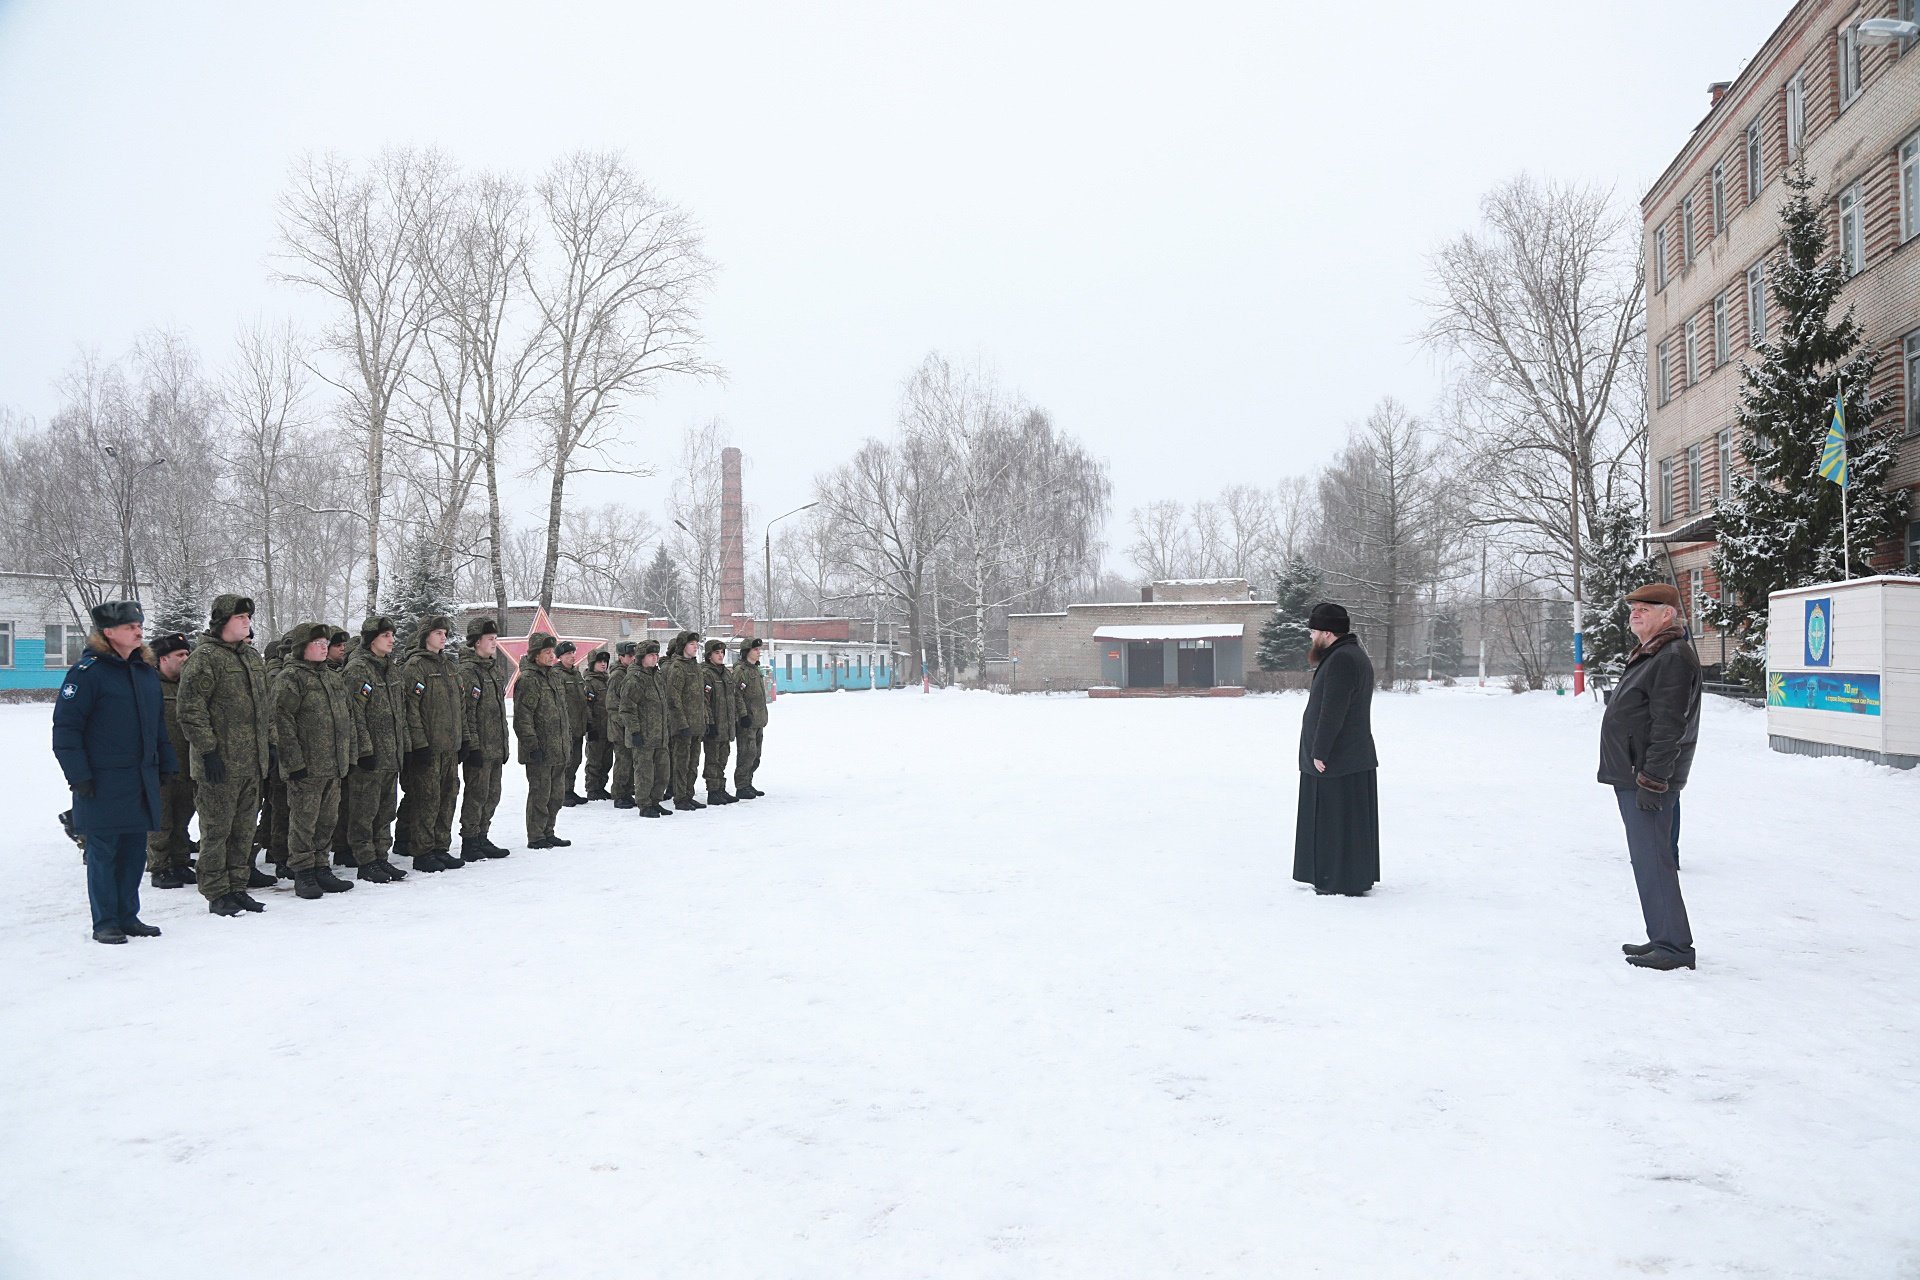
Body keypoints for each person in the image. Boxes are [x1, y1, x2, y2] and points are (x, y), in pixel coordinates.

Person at [51, 601, 178, 944]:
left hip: (140, 778)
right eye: (130, 626)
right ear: (109, 633)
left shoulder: (143, 671)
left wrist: (167, 763)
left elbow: (157, 726)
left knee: (135, 852)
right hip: (102, 780)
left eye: (139, 624)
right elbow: (66, 729)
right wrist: (78, 775)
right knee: (103, 853)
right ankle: (105, 921)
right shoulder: (87, 673)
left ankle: (128, 915)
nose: (139, 630)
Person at [1600, 582, 1702, 972]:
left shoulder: (1673, 656)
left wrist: (1653, 781)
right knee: (1646, 860)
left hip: (1647, 778)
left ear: (1668, 614)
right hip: (1635, 773)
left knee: (1654, 860)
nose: (1636, 613)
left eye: (1647, 607)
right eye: (1634, 608)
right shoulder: (1652, 653)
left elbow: (1668, 726)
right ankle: (1663, 935)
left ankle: (1674, 947)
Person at [178, 594, 275, 916]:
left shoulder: (249, 657)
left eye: (249, 617)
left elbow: (265, 708)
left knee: (244, 830)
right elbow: (191, 710)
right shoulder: (205, 658)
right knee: (217, 832)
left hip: (251, 762)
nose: (247, 622)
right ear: (222, 621)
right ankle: (217, 891)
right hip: (220, 765)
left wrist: (269, 747)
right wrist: (208, 751)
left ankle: (237, 885)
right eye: (240, 618)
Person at [1292, 602, 1380, 897]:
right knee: (1345, 821)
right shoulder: (1348, 655)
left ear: (1327, 633)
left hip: (1338, 759)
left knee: (1334, 820)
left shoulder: (1342, 659)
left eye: (1313, 631)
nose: (1310, 637)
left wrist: (1320, 752)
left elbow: (1334, 711)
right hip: (1349, 757)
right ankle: (1346, 877)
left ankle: (1337, 879)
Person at [274, 621, 363, 900]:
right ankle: (303, 872)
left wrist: (348, 755)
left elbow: (347, 718)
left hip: (333, 764)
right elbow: (280, 722)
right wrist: (293, 762)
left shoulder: (332, 677)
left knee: (327, 821)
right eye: (318, 643)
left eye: (326, 643)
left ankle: (322, 866)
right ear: (302, 648)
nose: (325, 647)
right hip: (306, 767)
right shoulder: (290, 679)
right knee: (304, 821)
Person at [340, 615, 411, 882]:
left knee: (385, 810)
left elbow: (399, 712)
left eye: (393, 634)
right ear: (372, 640)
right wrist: (364, 750)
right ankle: (365, 860)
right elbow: (353, 714)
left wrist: (405, 747)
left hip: (391, 754)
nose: (392, 640)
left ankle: (381, 855)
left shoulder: (391, 669)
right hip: (370, 757)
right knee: (364, 811)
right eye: (386, 636)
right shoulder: (357, 670)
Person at [398, 615, 465, 872]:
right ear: (426, 635)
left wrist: (464, 739)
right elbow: (411, 709)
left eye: (445, 633)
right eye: (438, 633)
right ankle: (423, 851)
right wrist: (419, 744)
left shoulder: (449, 666)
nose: (443, 637)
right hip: (429, 746)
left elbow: (461, 706)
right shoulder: (415, 667)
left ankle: (440, 846)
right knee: (427, 799)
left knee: (448, 796)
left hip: (450, 746)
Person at [145, 631, 198, 889]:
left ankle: (180, 861)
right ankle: (159, 867)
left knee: (183, 817)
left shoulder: (189, 686)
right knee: (161, 820)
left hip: (188, 764)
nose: (185, 659)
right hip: (160, 766)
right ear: (162, 659)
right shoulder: (148, 685)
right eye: (179, 655)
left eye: (187, 653)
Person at [456, 616, 512, 861]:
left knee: (492, 794)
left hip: (495, 745)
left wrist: (504, 744)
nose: (494, 643)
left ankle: (482, 835)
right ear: (476, 642)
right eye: (490, 639)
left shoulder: (493, 670)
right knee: (476, 794)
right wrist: (473, 745)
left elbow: (498, 711)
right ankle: (470, 839)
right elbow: (467, 712)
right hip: (480, 747)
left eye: (495, 639)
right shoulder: (468, 671)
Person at [514, 632, 572, 849]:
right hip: (540, 749)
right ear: (535, 655)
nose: (551, 656)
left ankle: (549, 831)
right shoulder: (529, 679)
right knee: (540, 794)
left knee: (556, 795)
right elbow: (523, 717)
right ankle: (536, 835)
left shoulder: (554, 676)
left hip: (558, 748)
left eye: (552, 652)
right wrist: (531, 745)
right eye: (546, 652)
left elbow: (561, 712)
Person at [619, 639, 672, 818]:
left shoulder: (656, 676)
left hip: (660, 735)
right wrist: (635, 731)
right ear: (641, 657)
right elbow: (627, 708)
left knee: (662, 772)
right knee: (644, 773)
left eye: (656, 655)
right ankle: (645, 804)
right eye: (651, 655)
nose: (655, 658)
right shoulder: (634, 679)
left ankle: (655, 801)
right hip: (643, 736)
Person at [665, 631, 706, 812]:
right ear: (683, 647)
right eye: (691, 644)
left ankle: (688, 794)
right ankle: (680, 797)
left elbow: (701, 698)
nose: (695, 646)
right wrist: (682, 724)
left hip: (697, 724)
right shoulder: (677, 668)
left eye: (696, 643)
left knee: (693, 763)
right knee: (681, 763)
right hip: (683, 726)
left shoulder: (695, 667)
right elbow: (674, 699)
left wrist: (704, 720)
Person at [699, 638, 740, 805]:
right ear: (709, 655)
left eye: (722, 652)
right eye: (717, 653)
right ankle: (713, 790)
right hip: (714, 724)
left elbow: (733, 697)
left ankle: (720, 788)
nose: (720, 656)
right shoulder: (706, 674)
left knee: (723, 757)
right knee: (712, 759)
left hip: (727, 725)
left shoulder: (726, 673)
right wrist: (709, 722)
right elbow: (704, 700)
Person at [732, 637, 769, 800]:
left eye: (759, 650)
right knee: (746, 754)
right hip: (747, 720)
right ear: (747, 651)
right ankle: (741, 785)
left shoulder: (755, 669)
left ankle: (748, 783)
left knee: (755, 755)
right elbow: (736, 694)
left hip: (758, 719)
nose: (758, 652)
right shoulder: (741, 670)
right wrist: (743, 714)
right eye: (755, 650)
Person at [555, 640, 589, 806]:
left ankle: (570, 789)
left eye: (573, 653)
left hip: (578, 726)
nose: (572, 656)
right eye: (568, 654)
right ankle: (561, 793)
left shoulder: (576, 674)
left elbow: (583, 701)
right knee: (565, 762)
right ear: (560, 657)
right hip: (566, 727)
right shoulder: (557, 675)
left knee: (576, 760)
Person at [608, 641, 639, 808]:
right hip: (619, 728)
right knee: (623, 761)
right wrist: (626, 723)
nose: (633, 658)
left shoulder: (632, 673)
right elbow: (613, 705)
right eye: (629, 656)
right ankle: (619, 793)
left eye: (635, 655)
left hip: (630, 727)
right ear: (621, 657)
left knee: (631, 760)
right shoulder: (617, 676)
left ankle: (627, 791)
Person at [583, 648, 613, 800]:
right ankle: (592, 788)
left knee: (607, 761)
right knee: (594, 760)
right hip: (596, 728)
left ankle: (601, 786)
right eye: (600, 662)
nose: (603, 664)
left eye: (605, 662)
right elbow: (587, 706)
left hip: (608, 728)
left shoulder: (607, 680)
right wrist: (590, 726)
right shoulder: (589, 682)